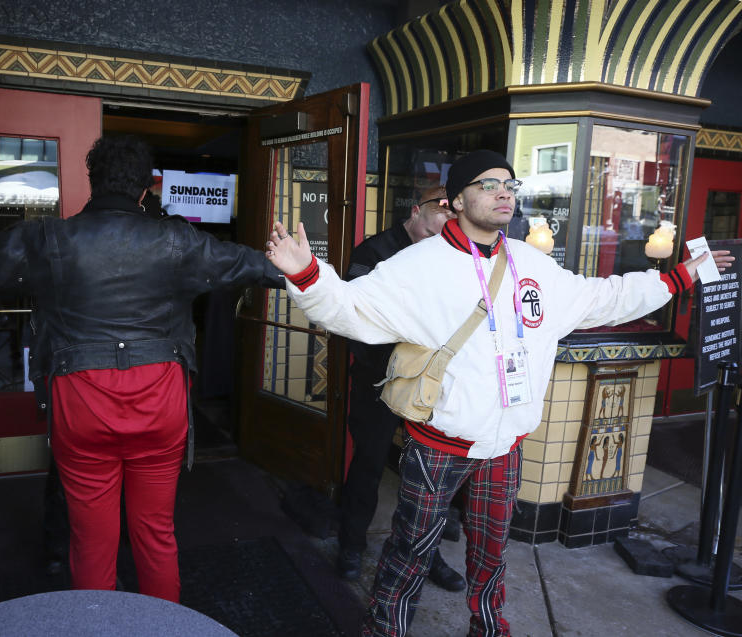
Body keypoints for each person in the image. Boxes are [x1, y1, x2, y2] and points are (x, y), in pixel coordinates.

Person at [264, 149, 733, 637]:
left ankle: (488, 627)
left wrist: (680, 277)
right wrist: (307, 277)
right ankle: (385, 627)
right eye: (488, 185)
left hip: (505, 446)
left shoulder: (534, 265)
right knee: (411, 546)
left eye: (510, 184)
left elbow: (602, 298)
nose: (503, 192)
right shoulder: (419, 265)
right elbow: (352, 309)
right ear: (457, 200)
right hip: (438, 444)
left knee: (491, 550)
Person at [0, 135, 284, 603]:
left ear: (92, 182)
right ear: (146, 189)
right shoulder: (180, 240)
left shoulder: (48, 241)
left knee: (90, 543)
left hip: (82, 405)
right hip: (159, 403)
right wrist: (311, 276)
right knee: (157, 536)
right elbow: (253, 265)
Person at [337, 185, 464, 593]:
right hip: (379, 380)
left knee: (428, 476)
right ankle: (351, 547)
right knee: (369, 465)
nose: (447, 220)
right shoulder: (374, 251)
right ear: (416, 210)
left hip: (428, 384)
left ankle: (429, 556)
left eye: (453, 214)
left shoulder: (452, 257)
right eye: (440, 211)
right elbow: (354, 317)